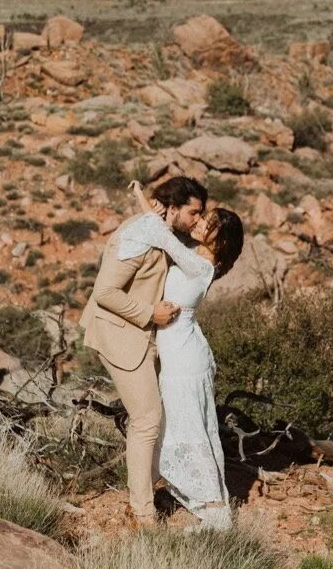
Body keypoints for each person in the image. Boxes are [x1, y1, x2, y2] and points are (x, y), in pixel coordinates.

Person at [82, 176, 207, 526]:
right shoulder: (138, 235)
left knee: (157, 417)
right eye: (194, 213)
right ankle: (142, 513)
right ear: (173, 208)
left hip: (146, 338)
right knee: (147, 418)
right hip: (119, 335)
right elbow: (104, 292)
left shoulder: (162, 231)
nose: (197, 220)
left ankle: (145, 492)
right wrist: (150, 313)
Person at [122, 180, 244, 529]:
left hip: (184, 359)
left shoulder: (201, 266)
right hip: (180, 354)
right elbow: (165, 235)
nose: (201, 222)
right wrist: (147, 202)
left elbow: (162, 238)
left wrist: (143, 200)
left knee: (189, 430)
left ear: (220, 241)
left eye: (210, 223)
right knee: (177, 425)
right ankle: (172, 498)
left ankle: (215, 511)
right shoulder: (194, 256)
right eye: (203, 216)